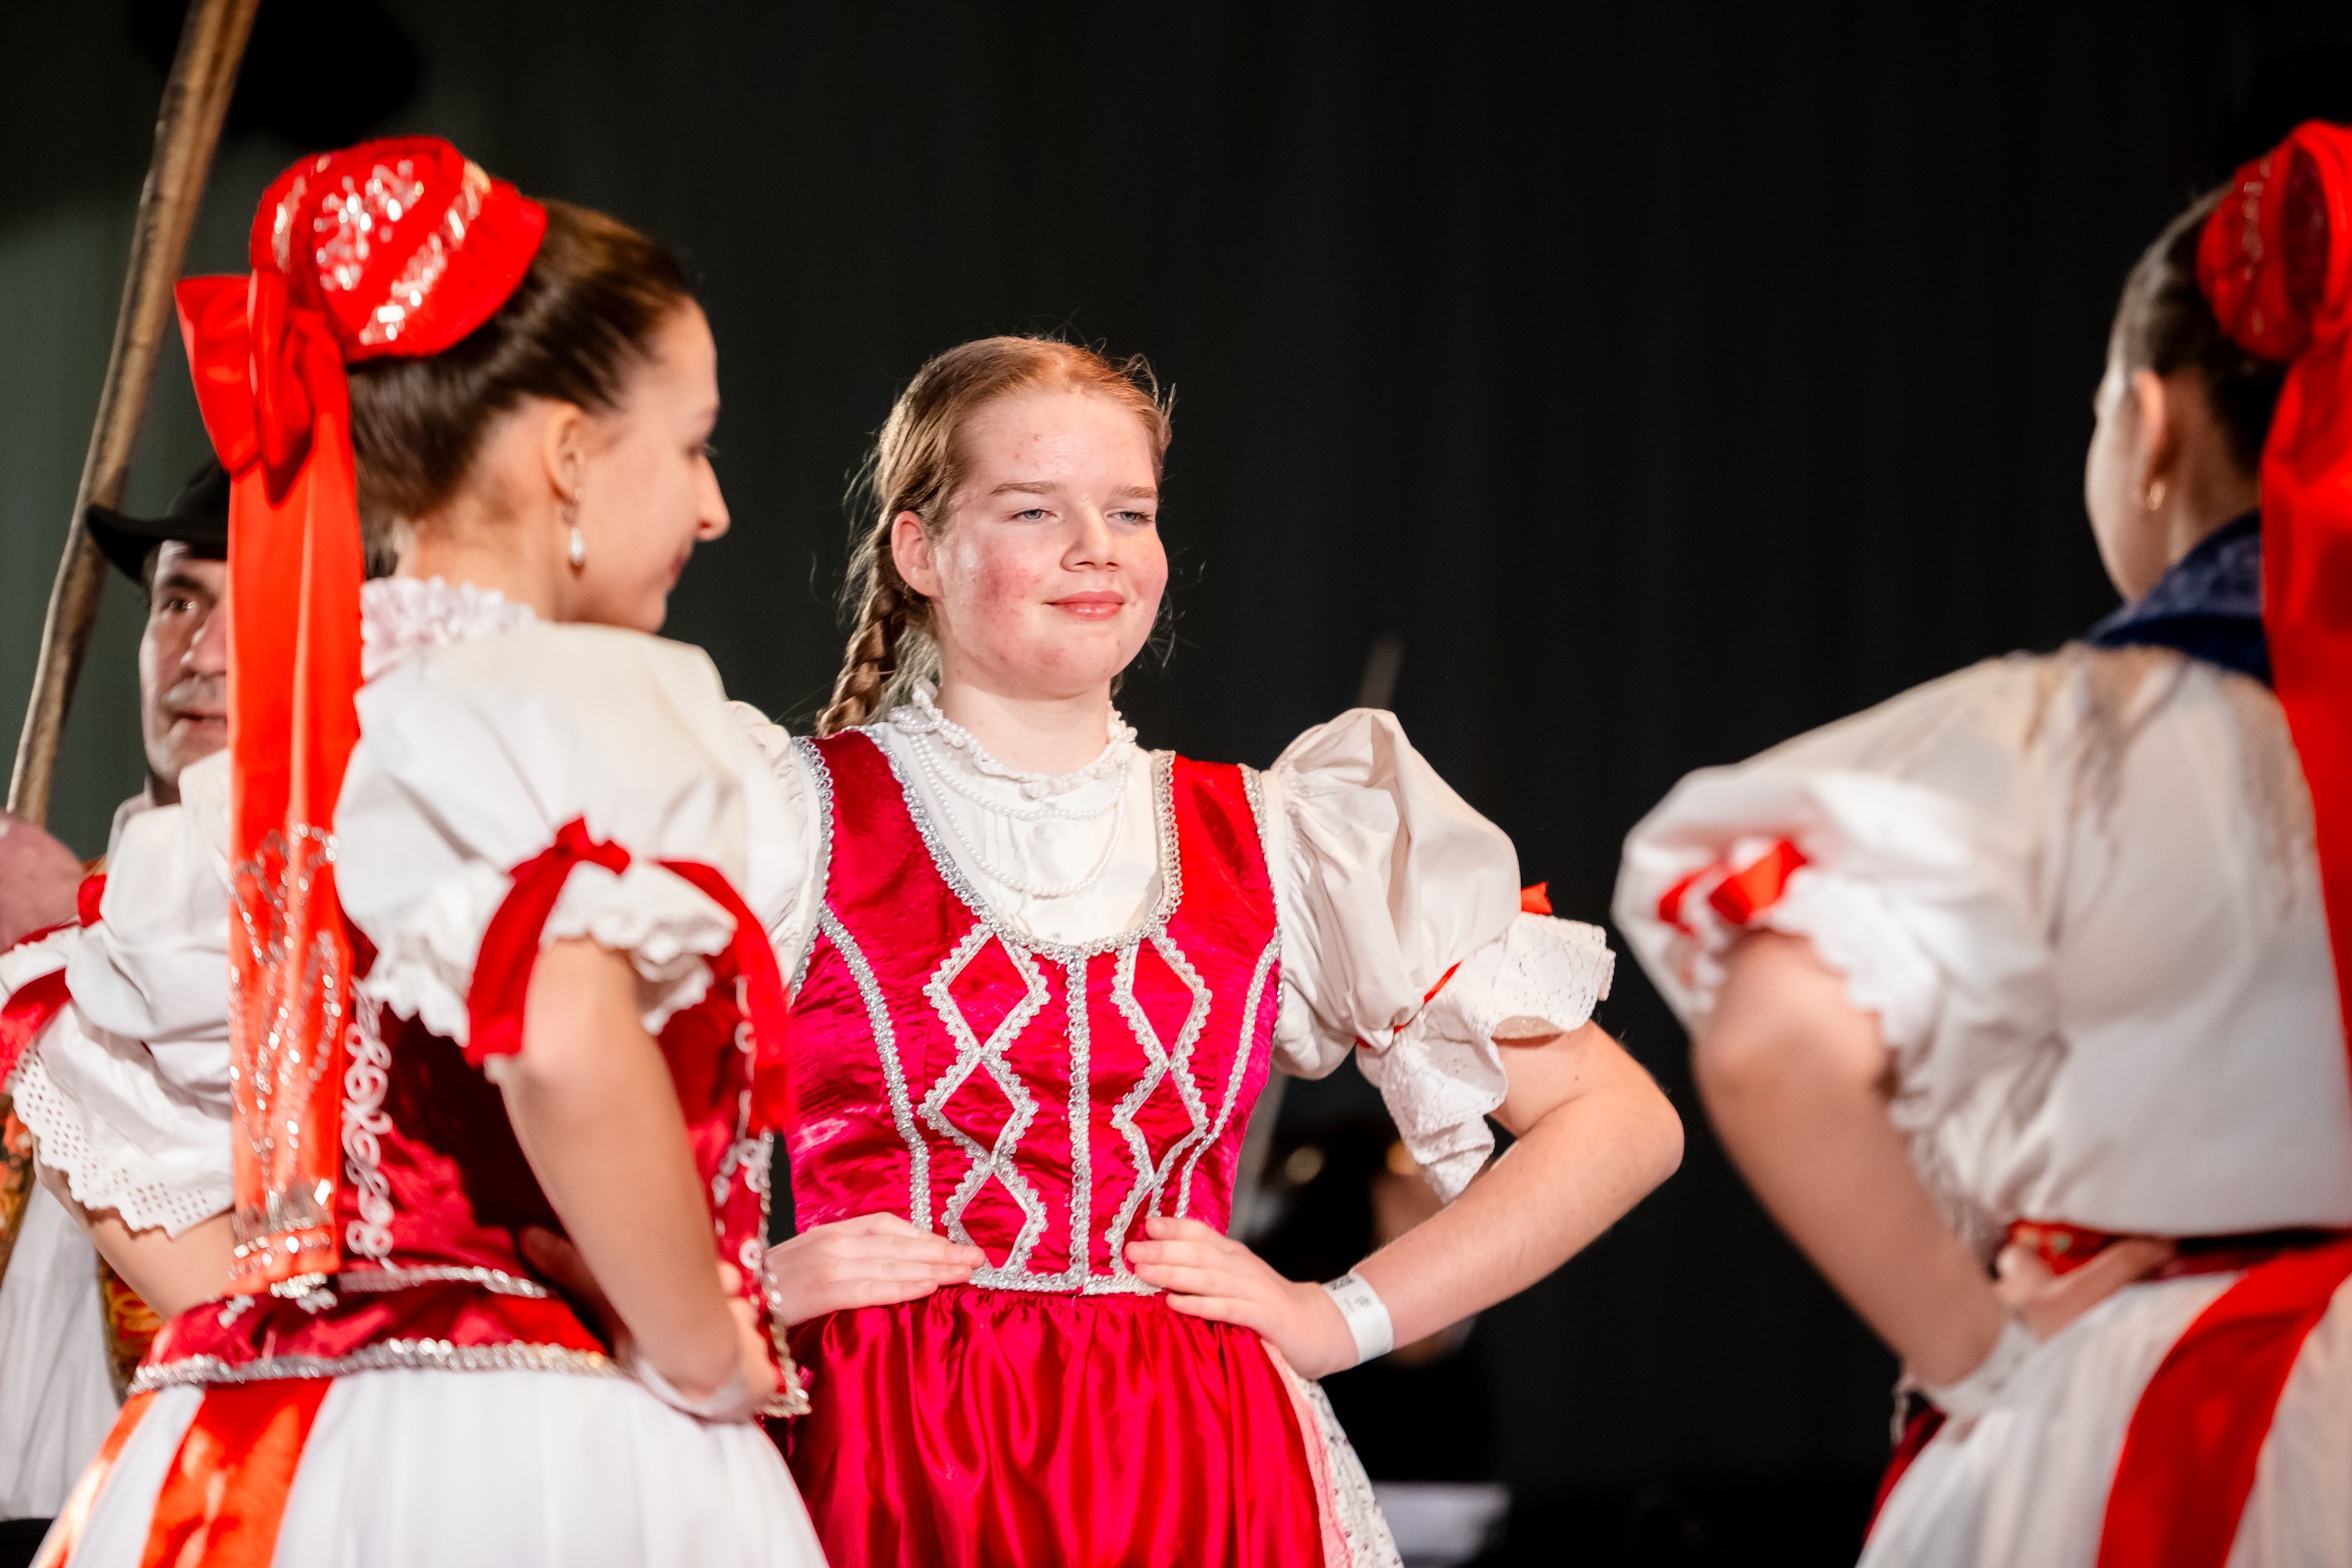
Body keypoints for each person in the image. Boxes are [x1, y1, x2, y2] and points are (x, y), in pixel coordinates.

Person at [743, 336, 1685, 1566]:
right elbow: (558, 1094)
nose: (1096, 546)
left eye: (1129, 511)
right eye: (1034, 509)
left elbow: (1622, 1124)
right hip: (889, 1453)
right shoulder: (785, 814)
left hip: (1198, 1461)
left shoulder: (1281, 838)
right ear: (920, 551)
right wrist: (740, 1288)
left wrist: (1340, 1318)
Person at [24, 136, 823, 1566]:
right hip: (529, 1441)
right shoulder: (564, 714)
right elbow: (561, 1039)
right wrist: (701, 1346)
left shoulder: (276, 776)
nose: (712, 507)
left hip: (263, 1437)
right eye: (693, 445)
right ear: (567, 457)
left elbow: (121, 1134)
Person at [1613, 122, 2352, 1567]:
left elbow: (1773, 1048)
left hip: (2166, 1421)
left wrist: (1975, 1352)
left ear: (2150, 430)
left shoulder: (2068, 744)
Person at [0, 466, 227, 1542]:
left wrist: (70, 923)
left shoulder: (355, 951)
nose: (202, 653)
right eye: (178, 600)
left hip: (195, 1512)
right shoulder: (28, 936)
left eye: (253, 614)